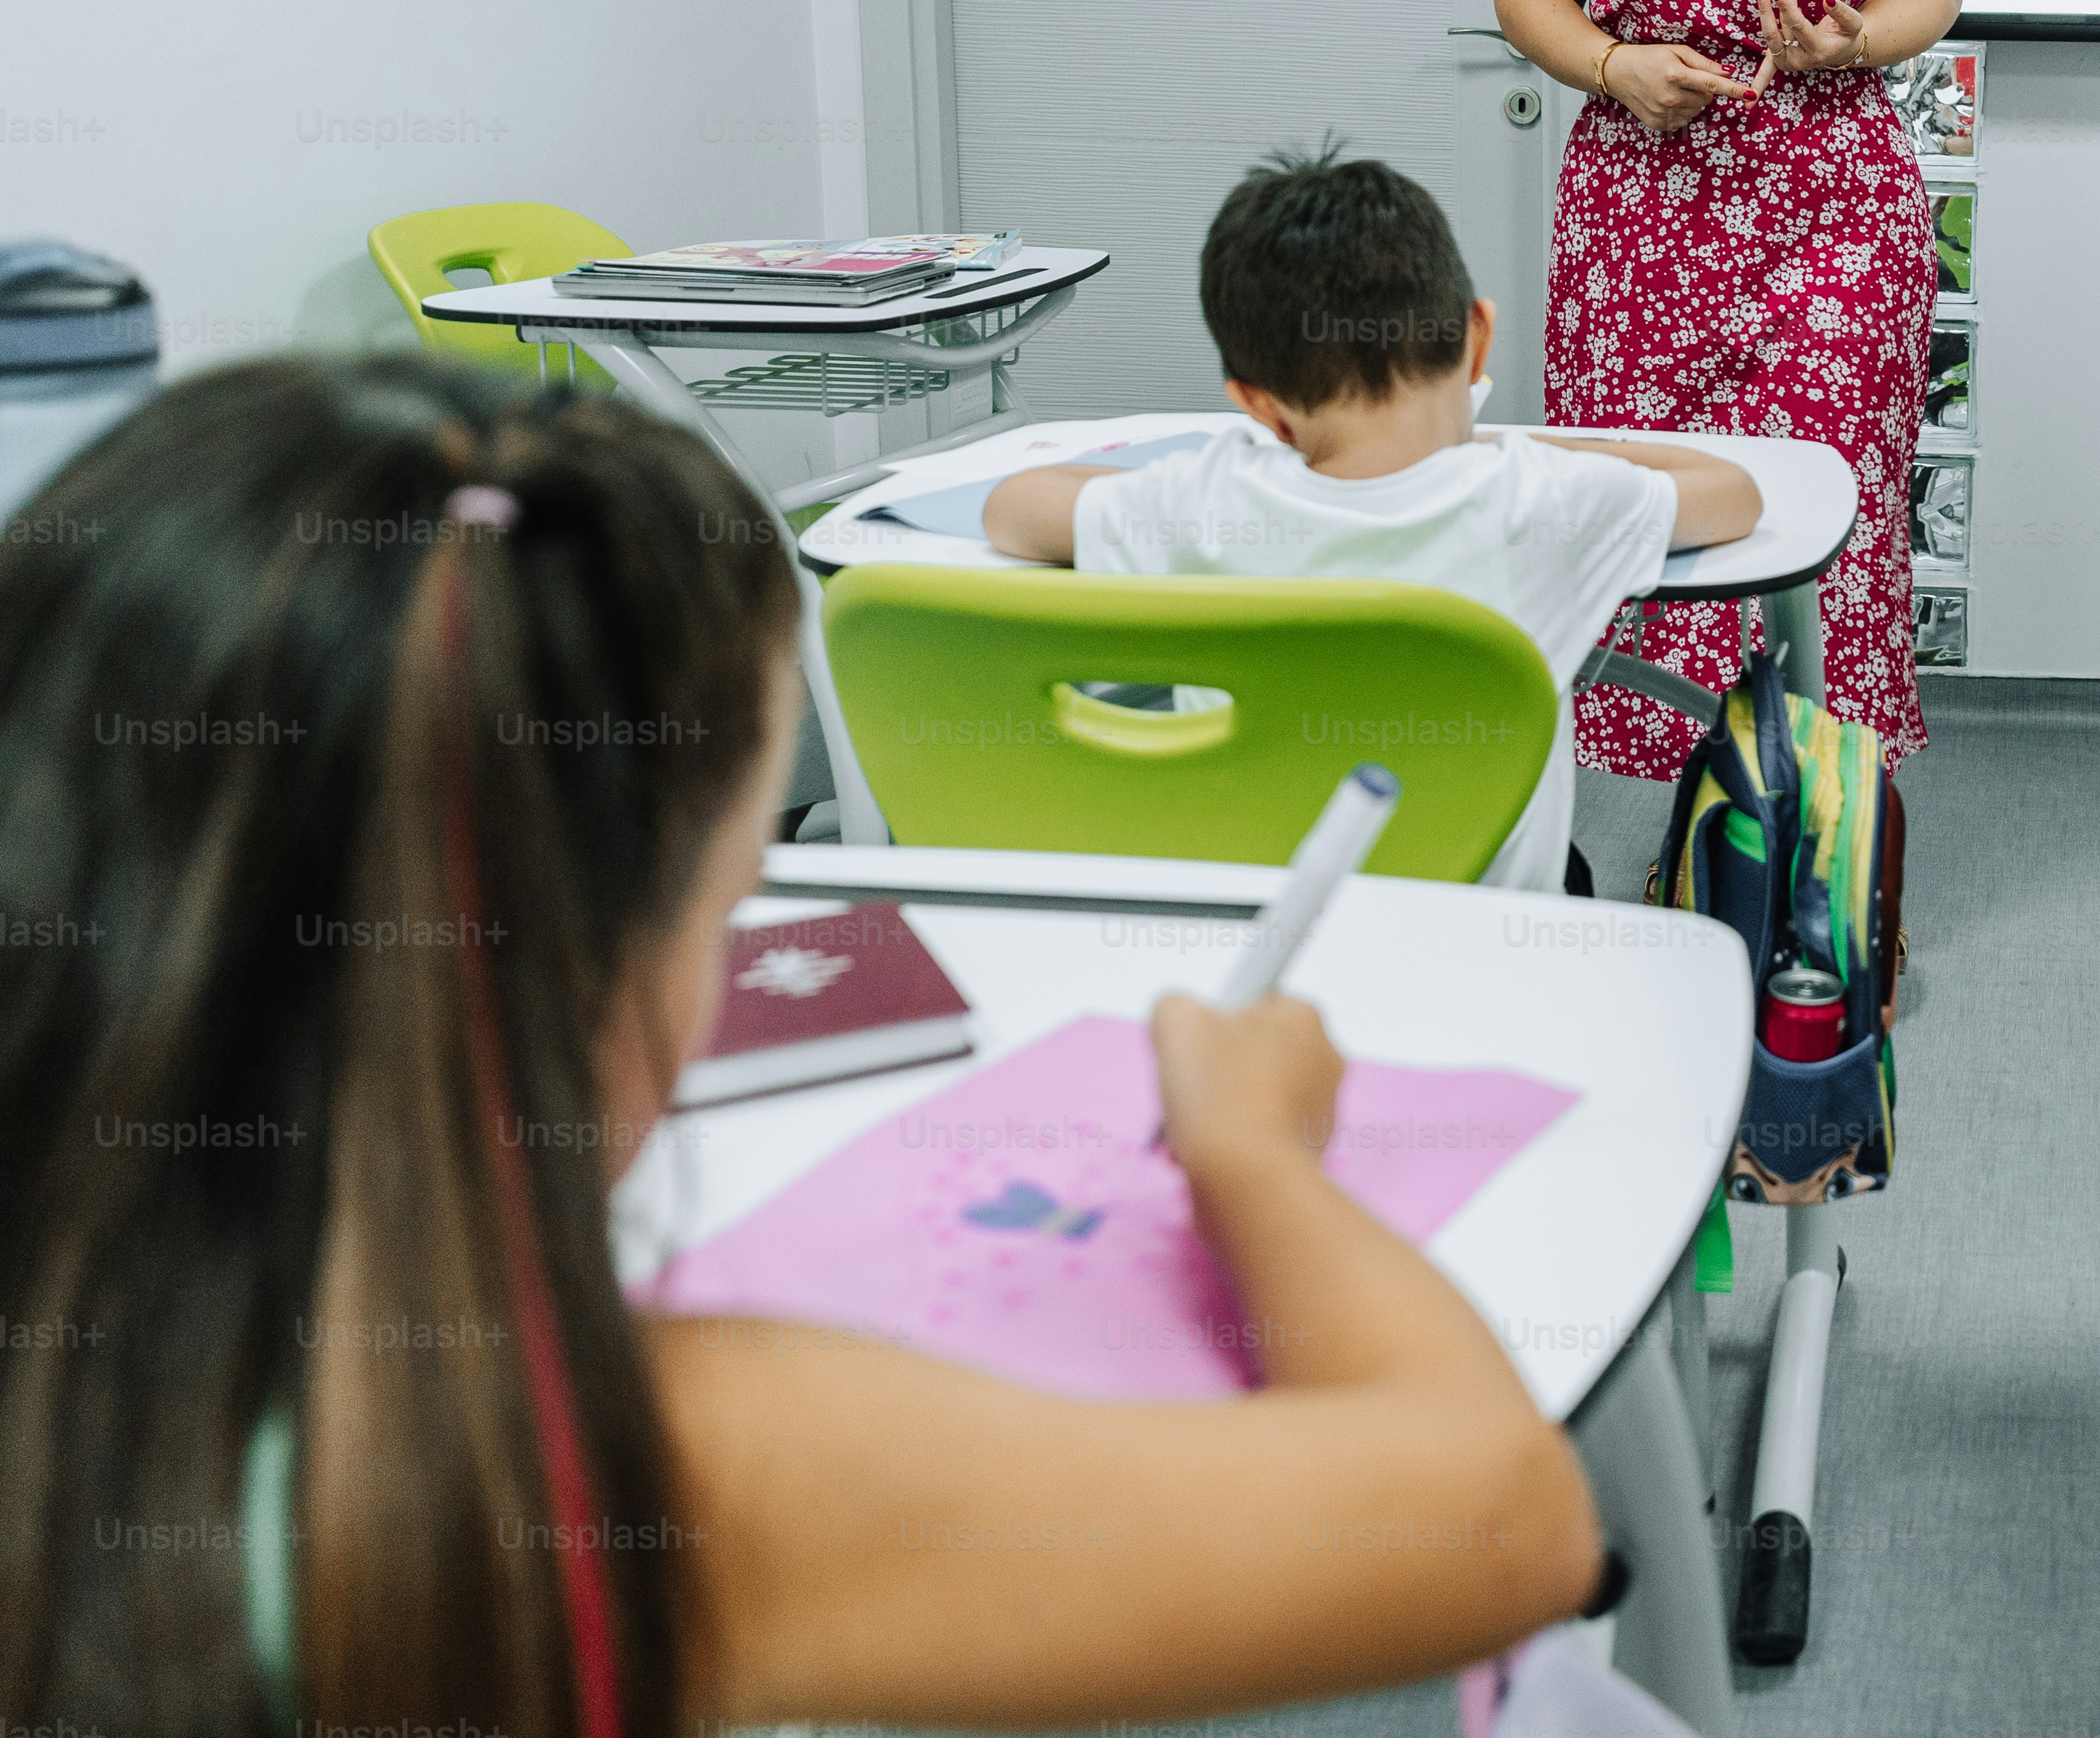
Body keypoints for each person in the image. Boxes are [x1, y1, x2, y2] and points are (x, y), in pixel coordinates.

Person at [0, 354, 1600, 1738]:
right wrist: (1254, 1151)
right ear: (586, 966)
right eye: (732, 899)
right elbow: (1501, 1516)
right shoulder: (602, 1463)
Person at [1489, 0, 1958, 784]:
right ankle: (1693, 811)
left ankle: (1824, 822)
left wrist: (1852, 41)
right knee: (1653, 506)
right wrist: (1613, 64)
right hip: (1639, 221)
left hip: (1834, 223)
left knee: (1825, 515)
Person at [987, 146, 1758, 894]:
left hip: (1268, 931)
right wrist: (1525, 443)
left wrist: (1184, 484)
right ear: (1479, 338)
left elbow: (1014, 506)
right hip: (1491, 936)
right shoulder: (1549, 497)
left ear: (1255, 402)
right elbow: (1733, 492)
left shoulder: (1198, 501)